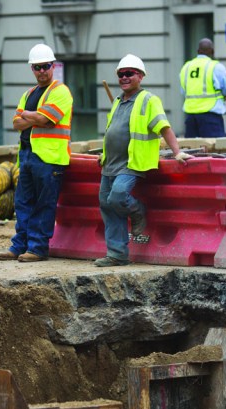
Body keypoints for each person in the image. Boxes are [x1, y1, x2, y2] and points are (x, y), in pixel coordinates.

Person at [95, 54, 192, 268]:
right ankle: (117, 254)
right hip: (111, 163)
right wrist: (105, 153)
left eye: (129, 73)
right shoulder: (118, 101)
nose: (124, 77)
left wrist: (177, 152)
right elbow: (112, 131)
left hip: (132, 162)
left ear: (140, 76)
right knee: (107, 205)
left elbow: (164, 127)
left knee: (118, 196)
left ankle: (138, 210)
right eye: (121, 74)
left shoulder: (148, 100)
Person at [0, 43, 73, 263]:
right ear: (32, 68)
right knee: (22, 202)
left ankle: (38, 248)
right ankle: (19, 246)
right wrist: (35, 116)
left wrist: (29, 115)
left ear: (53, 66)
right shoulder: (29, 93)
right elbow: (16, 123)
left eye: (46, 66)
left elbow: (46, 119)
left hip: (50, 158)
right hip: (28, 155)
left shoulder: (60, 91)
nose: (42, 71)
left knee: (44, 204)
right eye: (37, 67)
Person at [179, 38, 226, 138]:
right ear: (212, 51)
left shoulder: (186, 67)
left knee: (192, 151)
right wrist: (223, 95)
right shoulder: (215, 67)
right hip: (211, 116)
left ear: (198, 51)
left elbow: (183, 91)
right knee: (214, 150)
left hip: (191, 117)